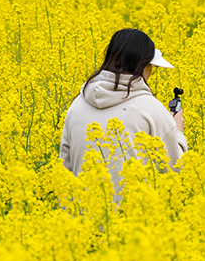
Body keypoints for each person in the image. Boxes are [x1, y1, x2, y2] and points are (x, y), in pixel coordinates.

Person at [59, 28, 187, 198]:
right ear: (142, 66)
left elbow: (64, 174)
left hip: (81, 220)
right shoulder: (151, 109)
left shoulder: (76, 105)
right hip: (135, 219)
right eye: (151, 67)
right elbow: (176, 170)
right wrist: (177, 132)